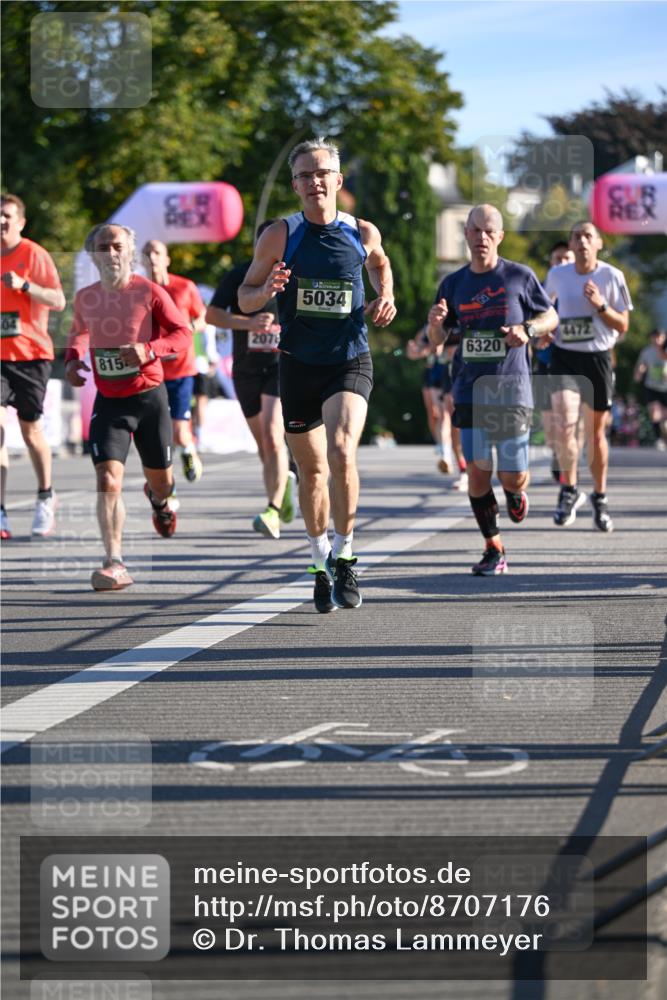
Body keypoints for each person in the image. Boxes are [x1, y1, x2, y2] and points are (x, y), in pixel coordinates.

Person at [238, 137, 396, 610]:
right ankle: (319, 557)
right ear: (295, 185)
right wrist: (265, 288)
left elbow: (380, 263)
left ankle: (346, 553)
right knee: (311, 472)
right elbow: (245, 297)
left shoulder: (361, 231)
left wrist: (384, 293)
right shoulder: (279, 236)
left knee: (343, 449)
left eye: (322, 172)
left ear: (338, 180)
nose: (314, 181)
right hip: (298, 364)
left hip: (349, 356)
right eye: (305, 175)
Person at [427, 204, 557, 576]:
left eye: (489, 231)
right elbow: (438, 339)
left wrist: (528, 330)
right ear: (466, 235)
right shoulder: (452, 284)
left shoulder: (519, 276)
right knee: (479, 475)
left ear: (499, 236)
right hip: (469, 388)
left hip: (512, 389)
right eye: (475, 230)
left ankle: (516, 493)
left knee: (510, 476)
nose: (481, 237)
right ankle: (493, 547)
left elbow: (551, 316)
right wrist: (434, 325)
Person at [65, 224, 191, 590]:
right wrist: (73, 360)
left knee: (163, 483)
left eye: (117, 245)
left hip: (149, 398)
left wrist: (149, 350)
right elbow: (79, 331)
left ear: (129, 251)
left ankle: (159, 501)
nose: (111, 252)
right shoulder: (86, 297)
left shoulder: (148, 292)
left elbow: (182, 333)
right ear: (94, 255)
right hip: (111, 403)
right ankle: (114, 561)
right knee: (107, 479)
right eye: (103, 247)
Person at [206, 220, 296, 539]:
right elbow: (212, 315)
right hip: (246, 369)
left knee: (273, 436)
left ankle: (271, 510)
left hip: (280, 366)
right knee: (264, 446)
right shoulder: (240, 276)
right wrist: (248, 322)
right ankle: (284, 482)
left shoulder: (295, 276)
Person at [545, 221, 632, 532]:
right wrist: (544, 330)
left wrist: (601, 306)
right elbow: (545, 309)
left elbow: (622, 325)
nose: (581, 241)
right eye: (576, 236)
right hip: (564, 356)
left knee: (595, 436)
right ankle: (569, 489)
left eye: (587, 236)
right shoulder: (557, 275)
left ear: (598, 243)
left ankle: (600, 495)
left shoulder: (612, 276)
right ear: (570, 244)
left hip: (597, 358)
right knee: (566, 423)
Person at [1, 193, 66, 539]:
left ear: (21, 222)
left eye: (7, 216)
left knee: (30, 431)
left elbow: (58, 300)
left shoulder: (33, 254)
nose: (1, 221)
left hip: (31, 355)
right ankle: (0, 511)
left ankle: (46, 494)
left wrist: (25, 285)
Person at [141, 240, 207, 486]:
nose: (152, 257)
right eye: (147, 253)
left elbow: (202, 318)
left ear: (167, 259)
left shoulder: (184, 287)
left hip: (181, 370)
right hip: (151, 372)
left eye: (157, 252)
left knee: (179, 430)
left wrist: (187, 330)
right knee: (158, 432)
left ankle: (189, 452)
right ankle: (165, 482)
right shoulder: (137, 291)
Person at [534, 241, 575, 482]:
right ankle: (557, 453)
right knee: (550, 423)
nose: (561, 263)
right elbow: (527, 323)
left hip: (573, 362)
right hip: (545, 362)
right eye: (557, 259)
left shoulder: (580, 289)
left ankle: (569, 462)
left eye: (566, 258)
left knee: (569, 417)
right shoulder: (539, 290)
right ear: (550, 263)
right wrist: (538, 335)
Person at [405, 327, 467, 484]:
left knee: (459, 421)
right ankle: (446, 453)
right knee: (442, 414)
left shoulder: (469, 314)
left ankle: (467, 463)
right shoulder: (432, 325)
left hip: (468, 371)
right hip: (442, 372)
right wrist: (417, 350)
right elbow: (417, 350)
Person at [634, 329, 667, 450]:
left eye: (660, 337)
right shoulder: (647, 352)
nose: (658, 340)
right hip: (652, 387)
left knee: (665, 420)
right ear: (651, 338)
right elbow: (641, 365)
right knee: (654, 414)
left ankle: (664, 435)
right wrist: (639, 372)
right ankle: (658, 439)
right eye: (655, 337)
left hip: (665, 387)